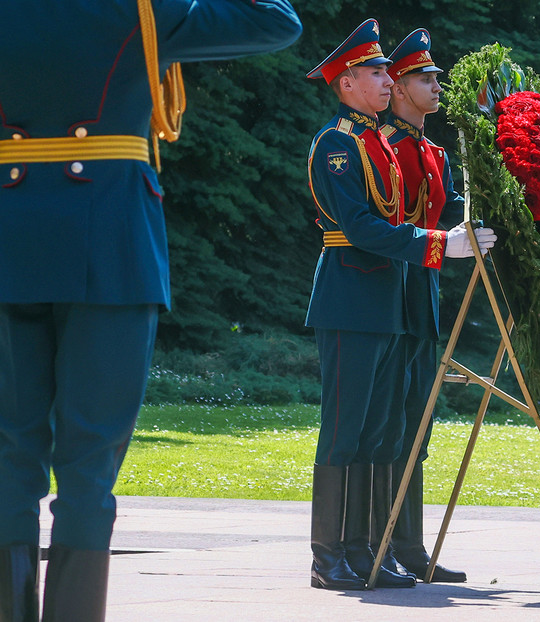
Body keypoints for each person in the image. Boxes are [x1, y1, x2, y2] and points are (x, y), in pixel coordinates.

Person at [0, 2, 301, 621]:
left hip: (11, 240)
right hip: (110, 247)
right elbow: (277, 20)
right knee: (89, 468)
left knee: (8, 457)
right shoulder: (144, 9)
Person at [304, 19, 494, 591]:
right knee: (344, 428)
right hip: (350, 295)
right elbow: (361, 227)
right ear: (347, 83)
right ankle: (327, 555)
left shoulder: (378, 143)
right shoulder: (337, 144)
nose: (388, 81)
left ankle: (366, 549)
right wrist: (438, 245)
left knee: (380, 431)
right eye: (377, 72)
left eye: (389, 72)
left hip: (385, 298)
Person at [378, 28, 467, 583]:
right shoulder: (383, 146)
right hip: (390, 292)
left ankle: (409, 546)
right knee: (389, 423)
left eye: (436, 78)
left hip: (423, 295)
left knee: (418, 422)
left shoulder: (434, 153)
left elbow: (453, 211)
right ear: (398, 87)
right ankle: (380, 543)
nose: (437, 87)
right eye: (424, 79)